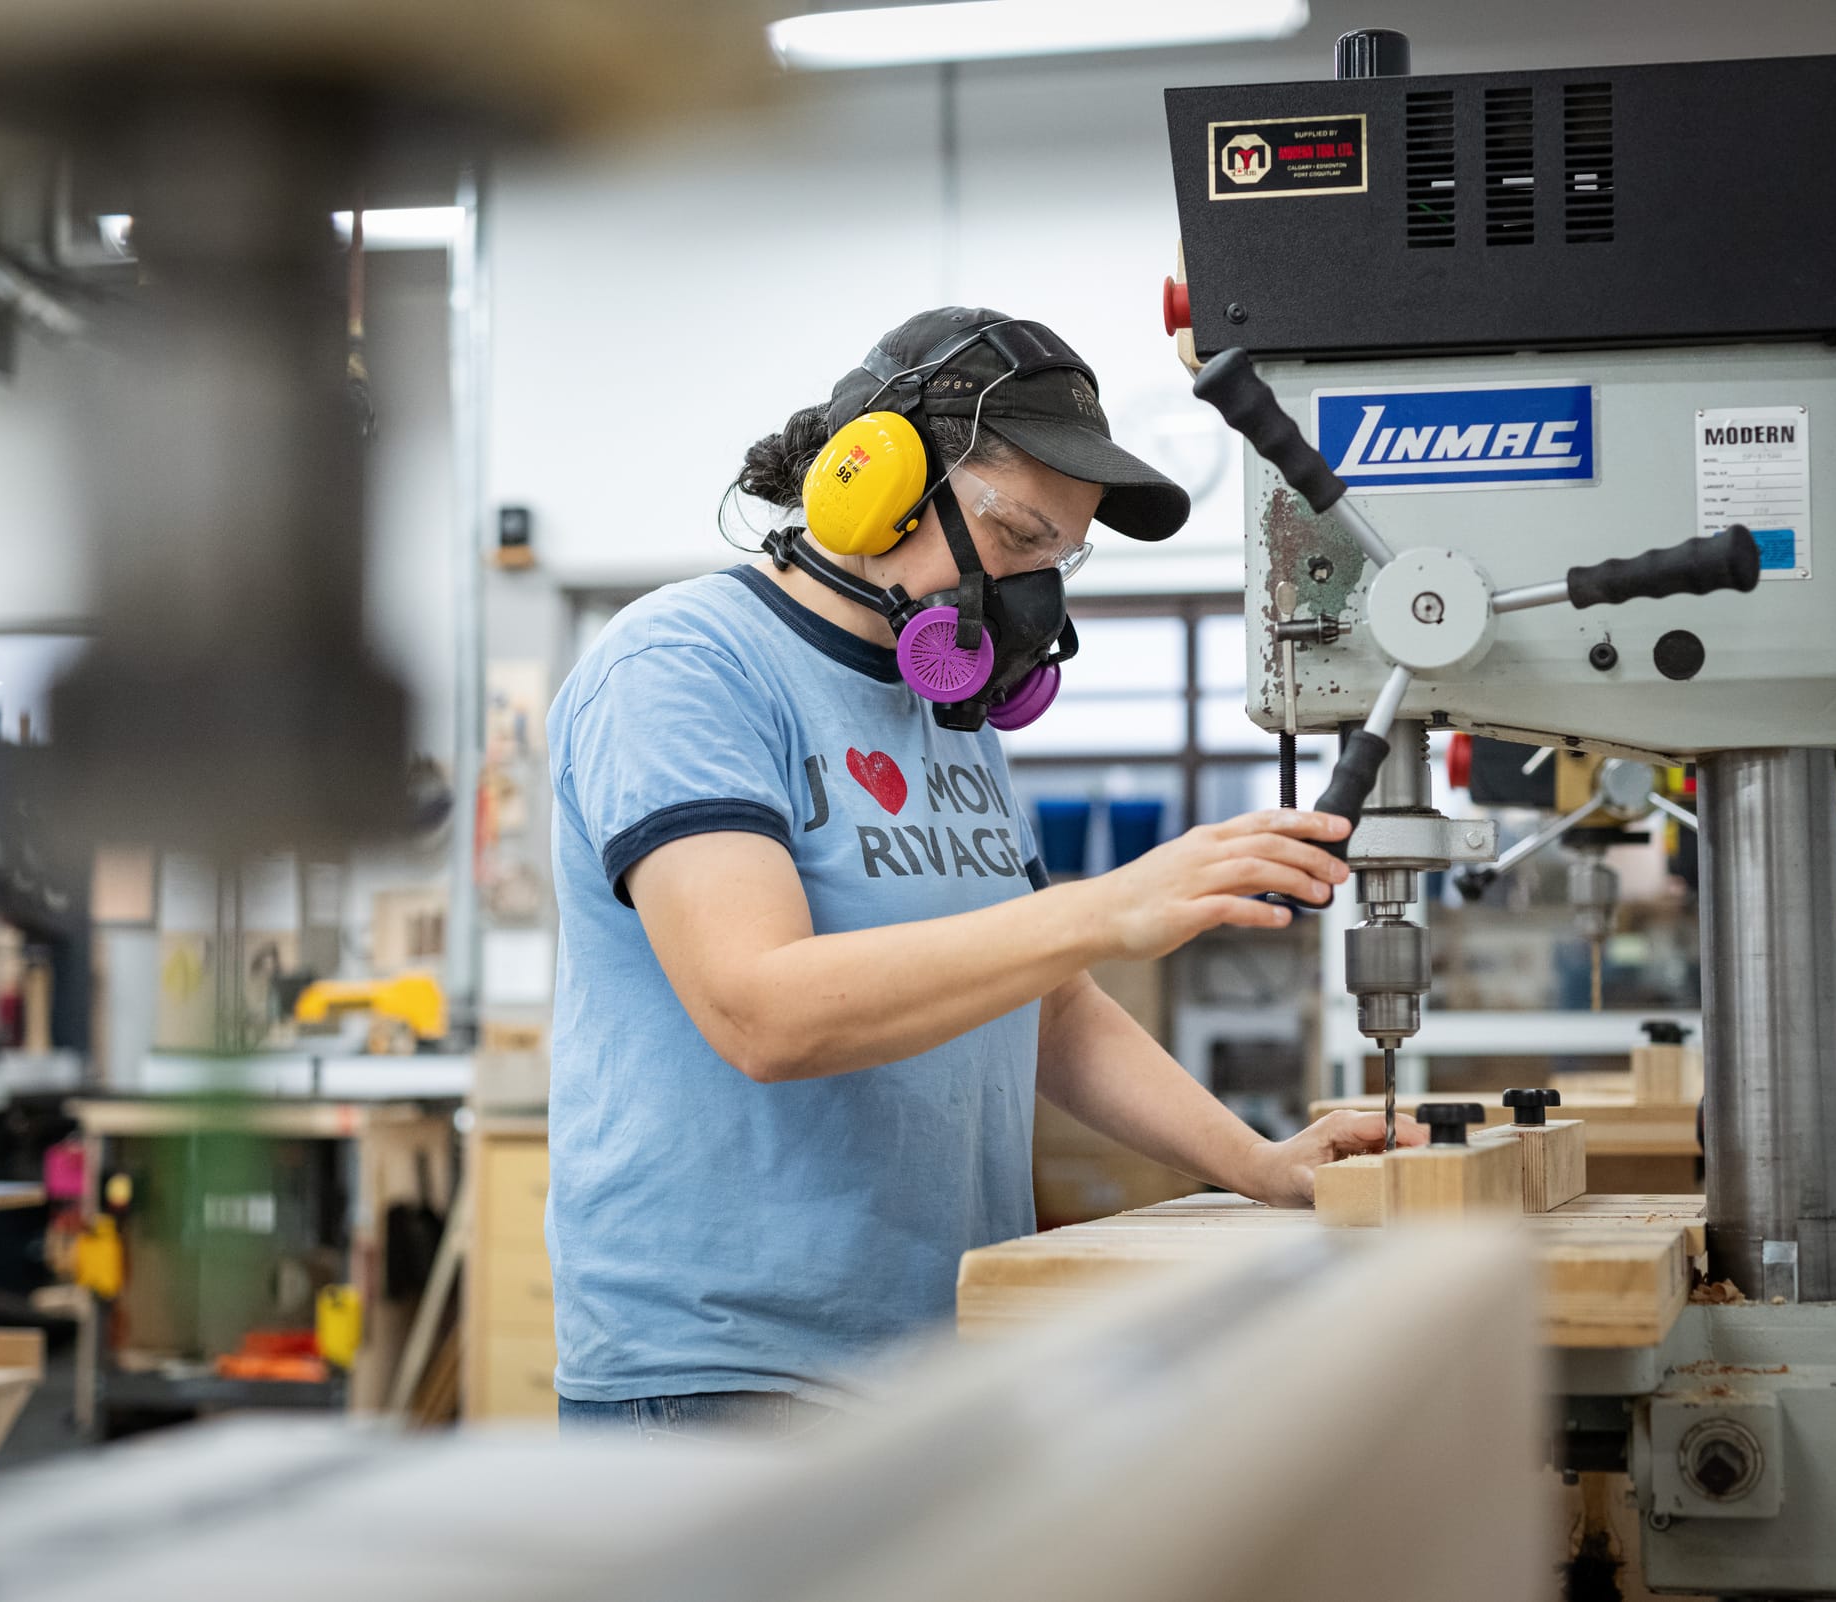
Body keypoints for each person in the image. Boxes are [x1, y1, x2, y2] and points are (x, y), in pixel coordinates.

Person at [546, 307, 1416, 1441]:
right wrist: (1101, 909)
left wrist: (1260, 1166)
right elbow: (762, 1011)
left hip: (935, 1345)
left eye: (1059, 558)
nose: (1032, 594)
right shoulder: (682, 669)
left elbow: (1046, 1005)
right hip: (724, 1364)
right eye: (1014, 539)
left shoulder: (945, 712)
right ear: (873, 481)